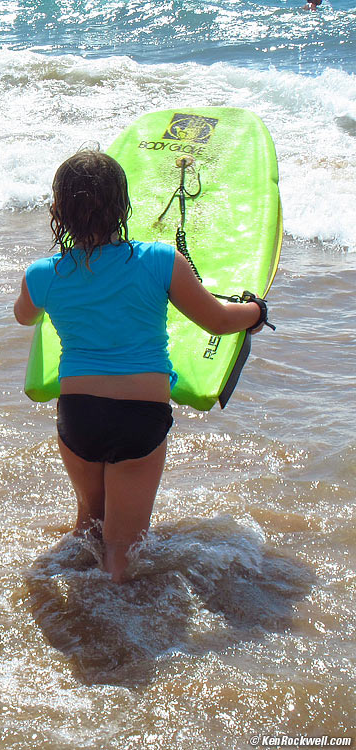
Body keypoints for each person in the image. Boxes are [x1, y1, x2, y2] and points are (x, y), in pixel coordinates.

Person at [14, 149, 270, 584]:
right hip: (139, 417)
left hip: (78, 416)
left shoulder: (43, 274)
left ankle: (77, 602)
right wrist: (256, 311)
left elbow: (24, 316)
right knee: (122, 551)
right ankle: (110, 617)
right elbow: (218, 320)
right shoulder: (159, 261)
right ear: (123, 206)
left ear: (58, 210)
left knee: (89, 526)